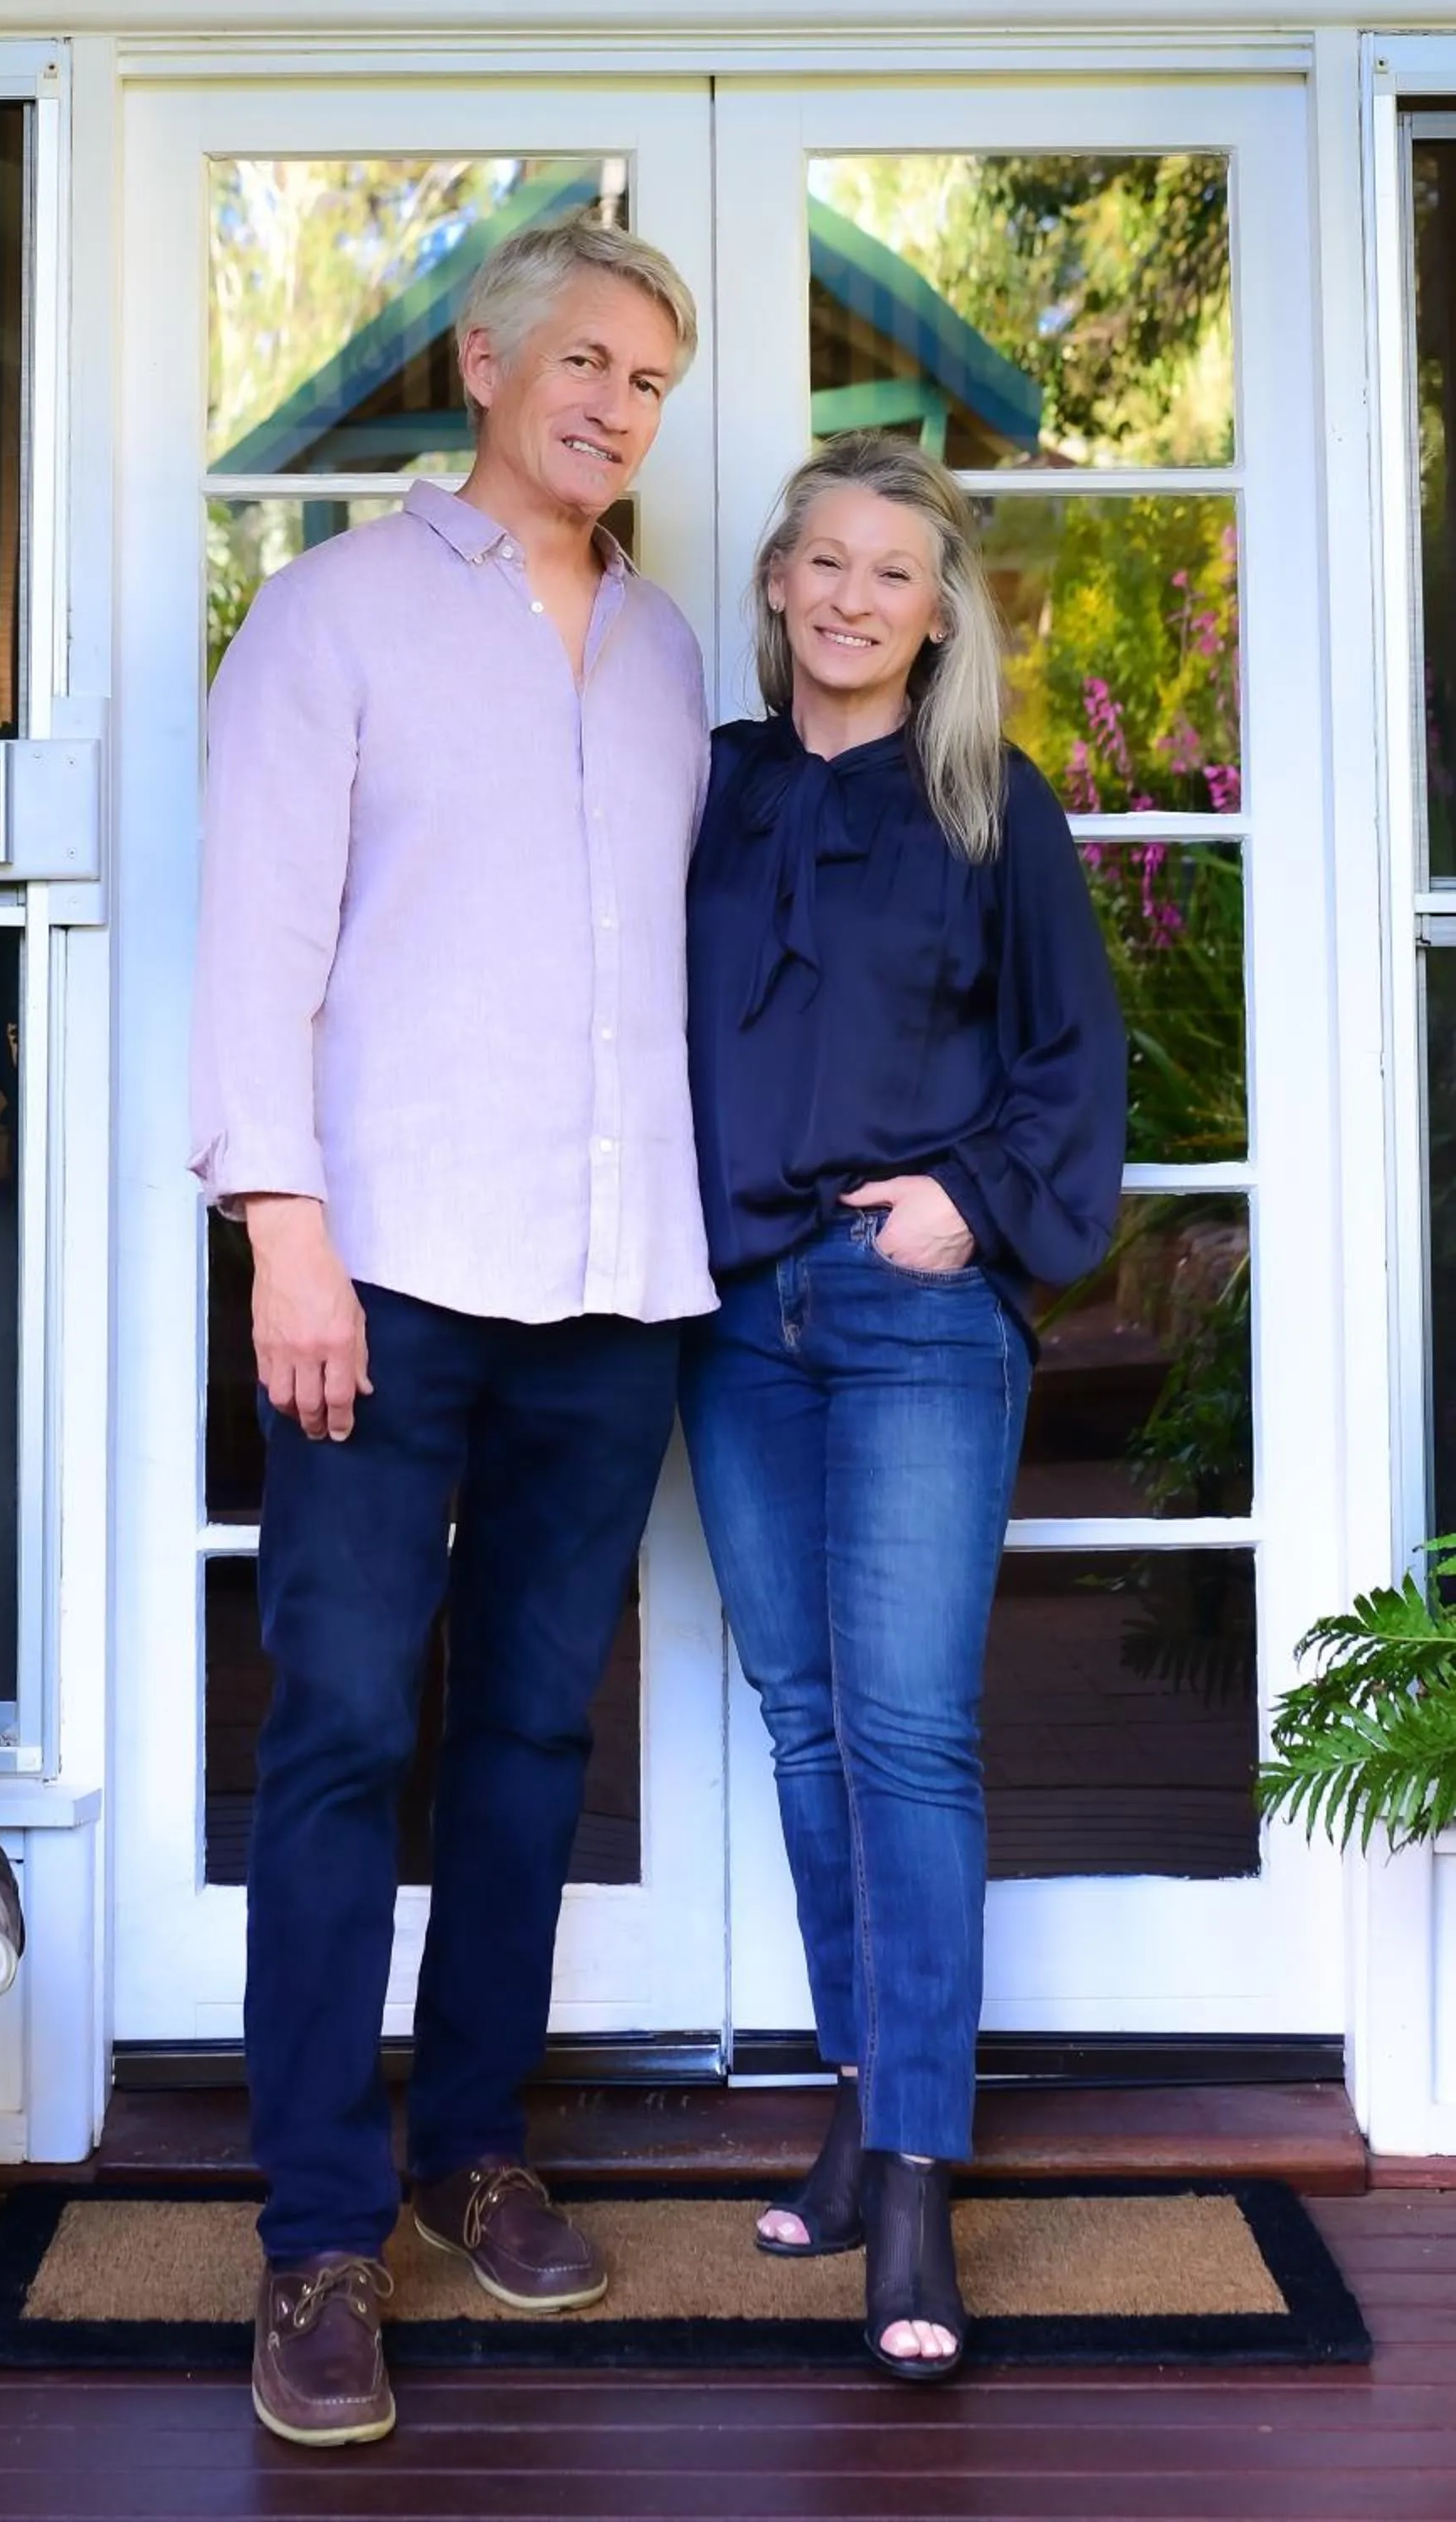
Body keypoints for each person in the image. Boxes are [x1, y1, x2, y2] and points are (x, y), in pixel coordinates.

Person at [189, 215, 714, 2450]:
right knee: (334, 1743)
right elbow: (253, 945)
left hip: (612, 1285)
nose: (615, 405)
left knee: (521, 1741)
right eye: (586, 360)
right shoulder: (331, 622)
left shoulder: (677, 651)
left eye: (653, 383)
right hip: (384, 1275)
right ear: (487, 361)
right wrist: (279, 1230)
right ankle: (313, 2242)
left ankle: (466, 2151)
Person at [678, 432, 1127, 2382]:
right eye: (827, 564)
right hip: (725, 1313)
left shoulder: (989, 807)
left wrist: (965, 1207)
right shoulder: (692, 791)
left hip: (910, 1309)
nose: (857, 599)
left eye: (896, 573)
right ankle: (866, 2098)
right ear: (777, 580)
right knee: (801, 1717)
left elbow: (1072, 1059)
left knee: (911, 1736)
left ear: (938, 613)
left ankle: (919, 2179)